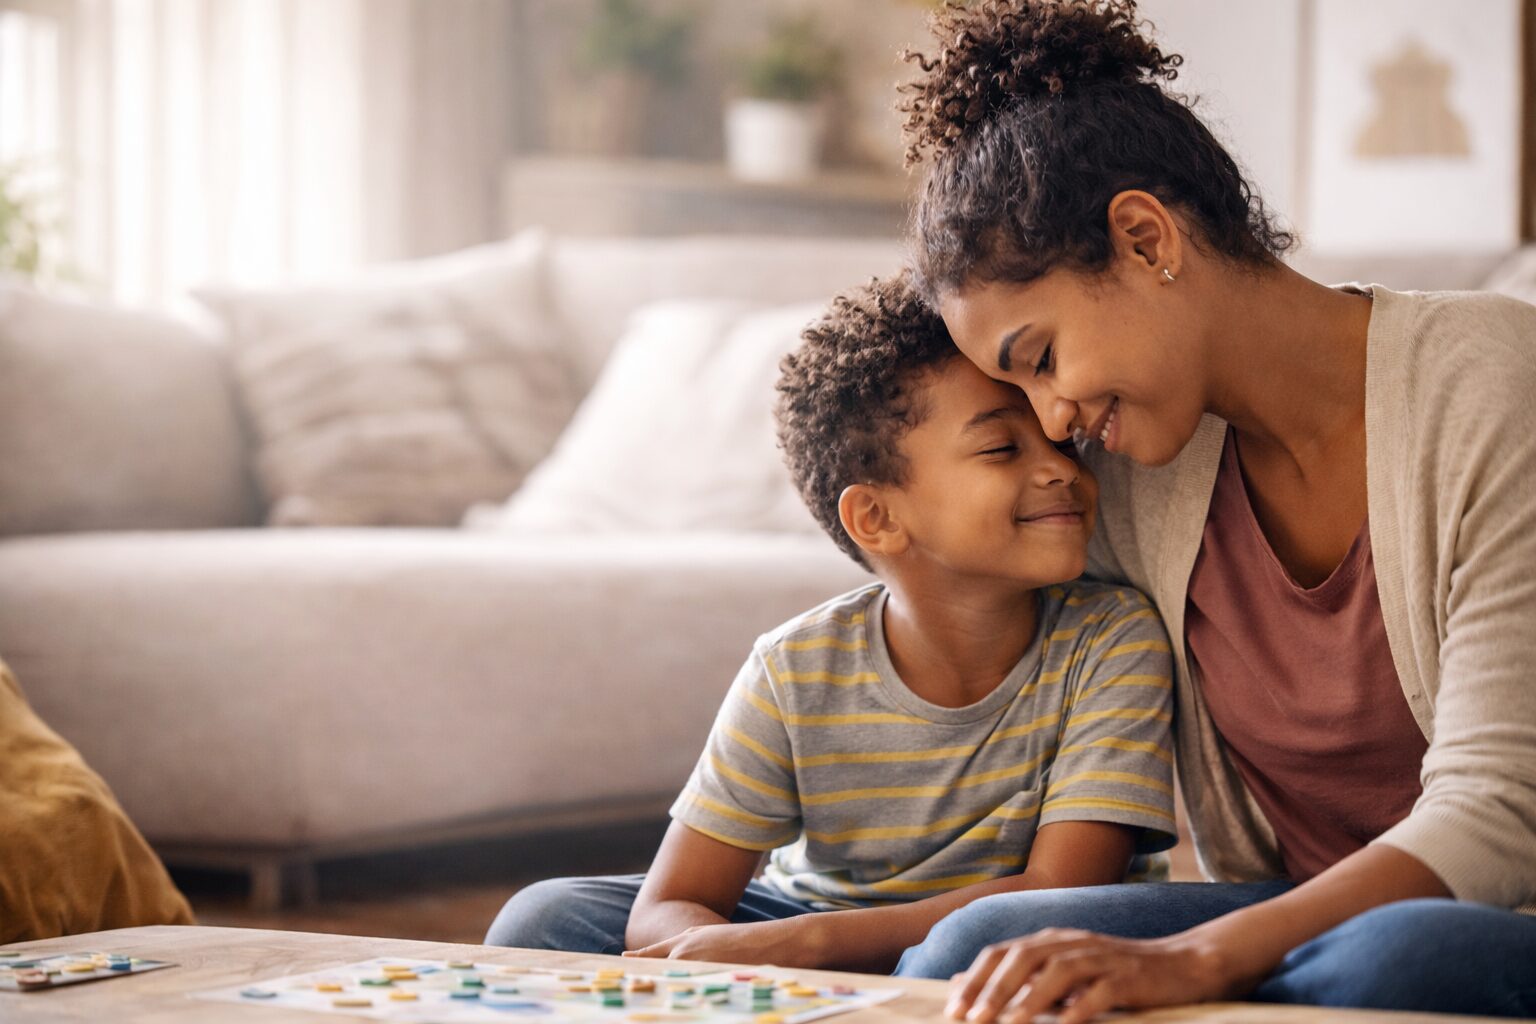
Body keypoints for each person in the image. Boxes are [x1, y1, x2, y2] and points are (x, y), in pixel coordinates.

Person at [889, 1, 1536, 1019]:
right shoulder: (1136, 470)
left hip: (1491, 906)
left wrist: (1196, 962)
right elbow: (949, 607)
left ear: (1146, 239)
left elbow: (1502, 814)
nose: (1054, 418)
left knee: (1385, 964)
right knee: (976, 949)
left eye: (1042, 357)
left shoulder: (1492, 382)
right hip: (1285, 907)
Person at [484, 274, 1178, 972]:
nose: (1060, 470)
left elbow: (1060, 890)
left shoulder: (1112, 639)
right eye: (1003, 449)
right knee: (545, 919)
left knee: (959, 949)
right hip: (818, 923)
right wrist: (724, 951)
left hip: (1006, 939)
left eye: (1062, 445)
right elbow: (669, 905)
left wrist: (804, 945)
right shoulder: (794, 669)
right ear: (876, 518)